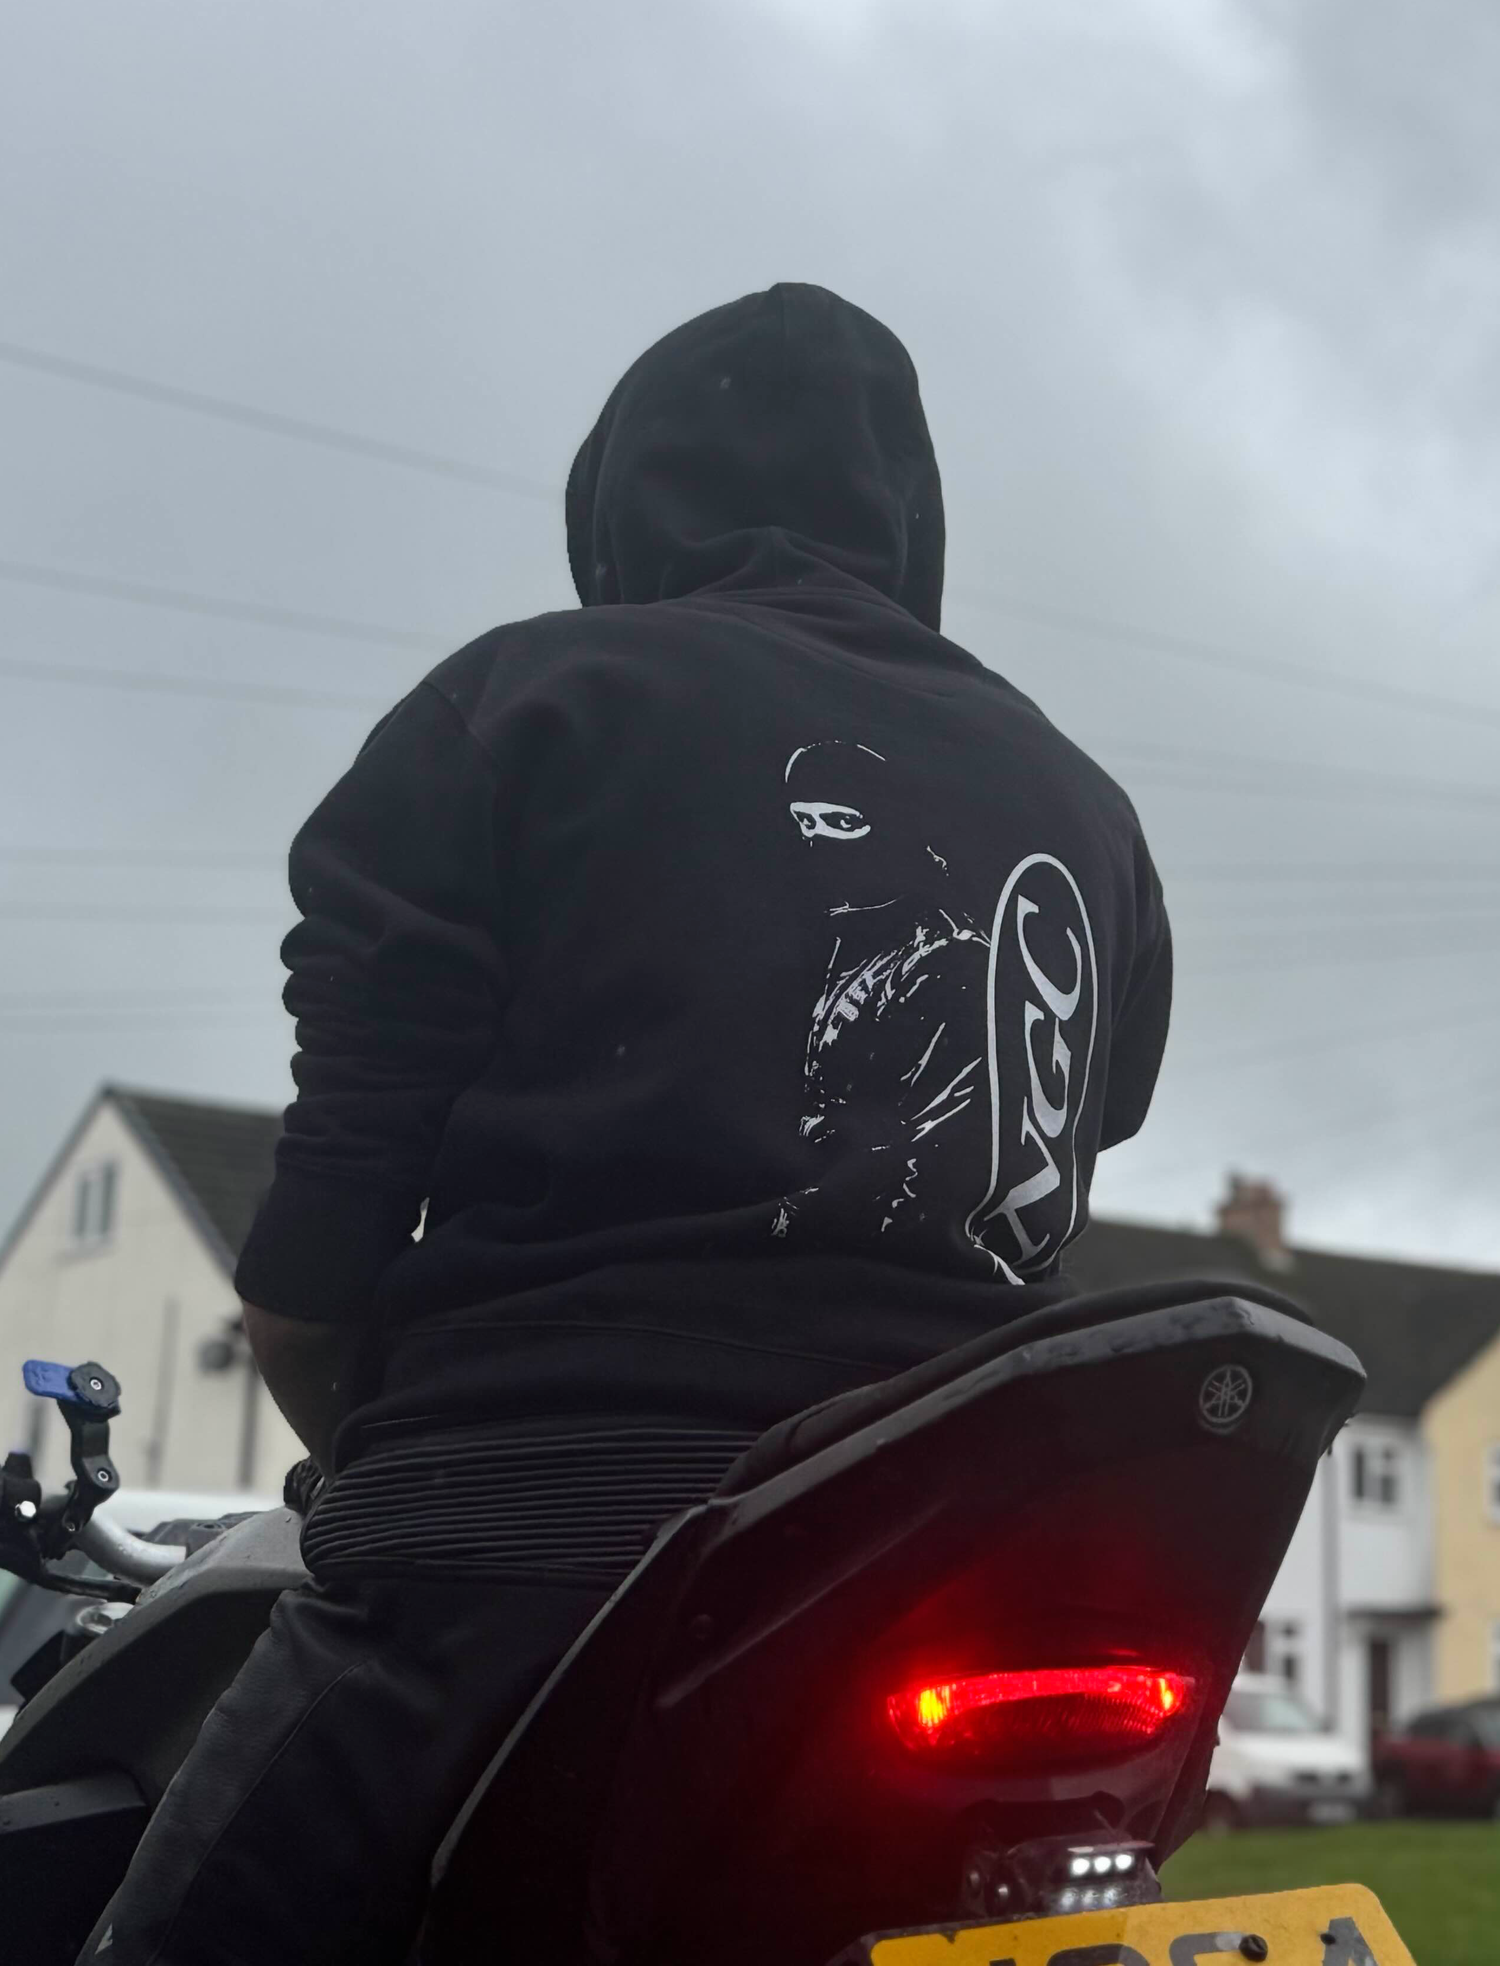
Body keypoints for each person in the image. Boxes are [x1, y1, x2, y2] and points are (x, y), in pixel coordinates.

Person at [83, 282, 1171, 1964]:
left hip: (512, 1561)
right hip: (956, 1574)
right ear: (909, 518)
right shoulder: (1089, 814)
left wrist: (373, 1472)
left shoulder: (524, 706)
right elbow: (1085, 1133)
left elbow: (309, 1280)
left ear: (620, 503)